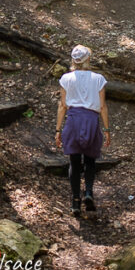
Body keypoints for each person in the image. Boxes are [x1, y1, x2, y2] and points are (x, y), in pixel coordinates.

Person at [54, 44, 110, 216]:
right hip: (91, 120)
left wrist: (58, 130)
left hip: (73, 120)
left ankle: (75, 202)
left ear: (73, 61)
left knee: (74, 161)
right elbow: (102, 106)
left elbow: (63, 106)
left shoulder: (66, 78)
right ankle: (89, 193)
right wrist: (107, 129)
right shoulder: (98, 79)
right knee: (91, 159)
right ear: (88, 60)